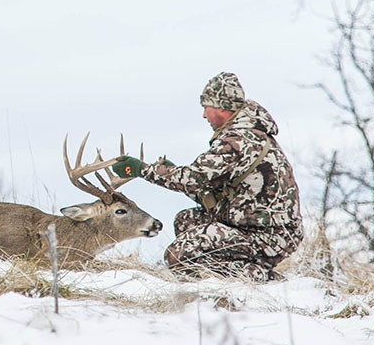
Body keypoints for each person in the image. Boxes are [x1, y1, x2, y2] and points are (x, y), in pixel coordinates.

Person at [111, 72, 302, 282]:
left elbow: (193, 178)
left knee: (177, 256)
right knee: (186, 221)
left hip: (268, 237)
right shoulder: (248, 134)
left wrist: (141, 169)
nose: (204, 115)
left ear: (221, 107)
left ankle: (260, 277)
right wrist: (172, 172)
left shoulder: (238, 141)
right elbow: (209, 188)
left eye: (206, 108)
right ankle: (216, 279)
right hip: (263, 230)